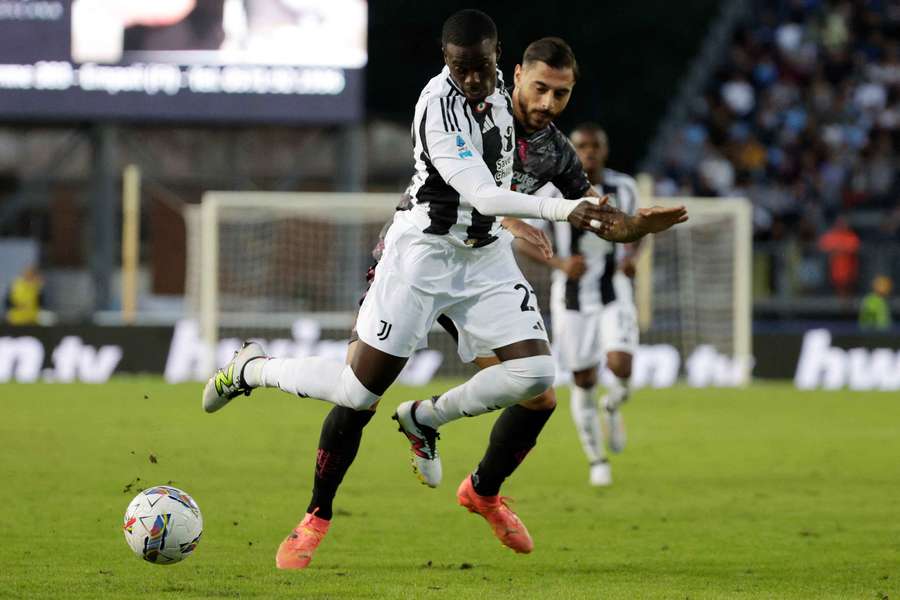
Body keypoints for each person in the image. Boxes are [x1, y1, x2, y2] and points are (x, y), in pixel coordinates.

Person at [202, 9, 687, 569]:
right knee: (356, 394)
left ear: (500, 63)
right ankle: (263, 394)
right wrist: (555, 211)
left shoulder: (537, 128)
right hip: (421, 255)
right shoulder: (440, 105)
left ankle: (437, 436)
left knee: (536, 380)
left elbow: (595, 214)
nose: (546, 102)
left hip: (483, 260)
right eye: (540, 89)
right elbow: (484, 192)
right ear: (466, 65)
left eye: (560, 93)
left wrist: (633, 225)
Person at [516, 124, 640, 486]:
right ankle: (596, 459)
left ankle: (613, 405)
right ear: (572, 148)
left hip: (613, 288)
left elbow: (639, 230)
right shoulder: (551, 189)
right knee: (583, 378)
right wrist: (560, 264)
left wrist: (633, 255)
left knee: (621, 363)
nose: (589, 152)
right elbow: (522, 239)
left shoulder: (624, 188)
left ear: (605, 150)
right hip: (571, 296)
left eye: (595, 146)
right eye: (582, 145)